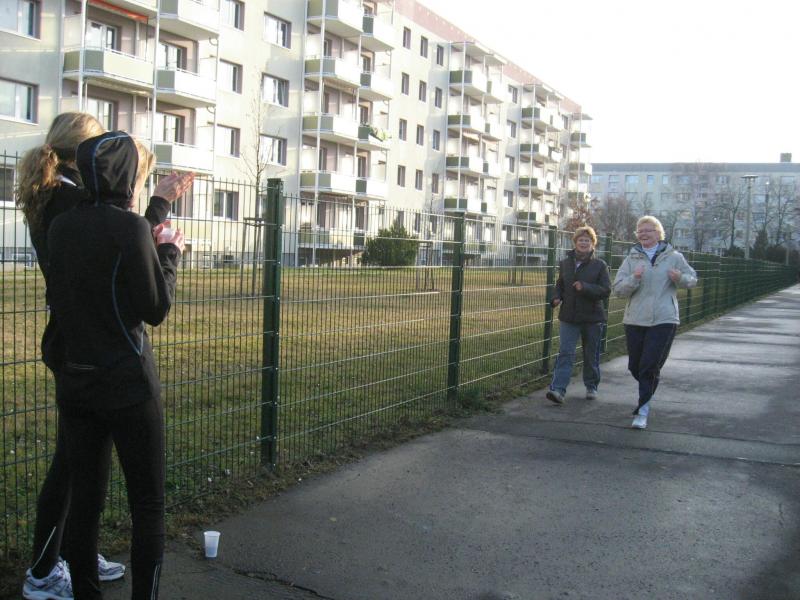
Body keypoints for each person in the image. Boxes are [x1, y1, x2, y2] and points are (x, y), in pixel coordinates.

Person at [16, 113, 193, 600]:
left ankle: (72, 560)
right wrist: (166, 248)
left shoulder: (63, 210)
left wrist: (148, 213)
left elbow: (112, 243)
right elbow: (143, 287)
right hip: (114, 364)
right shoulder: (72, 203)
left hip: (76, 358)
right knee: (112, 490)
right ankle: (44, 569)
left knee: (82, 484)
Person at [612, 216, 697, 429]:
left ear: (659, 233)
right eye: (640, 231)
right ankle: (649, 385)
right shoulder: (631, 259)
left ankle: (642, 411)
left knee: (649, 365)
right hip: (635, 319)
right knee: (635, 366)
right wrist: (634, 278)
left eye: (648, 230)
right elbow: (618, 290)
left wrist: (680, 278)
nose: (643, 234)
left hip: (664, 319)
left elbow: (692, 279)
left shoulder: (674, 257)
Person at [545, 226, 611, 405]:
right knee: (565, 353)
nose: (583, 243)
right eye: (580, 240)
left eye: (587, 240)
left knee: (590, 354)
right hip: (569, 317)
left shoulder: (600, 265)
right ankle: (558, 390)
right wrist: (556, 297)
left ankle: (591, 386)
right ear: (575, 242)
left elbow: (606, 290)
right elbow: (560, 284)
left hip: (592, 318)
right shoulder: (565, 263)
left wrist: (585, 287)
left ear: (592, 244)